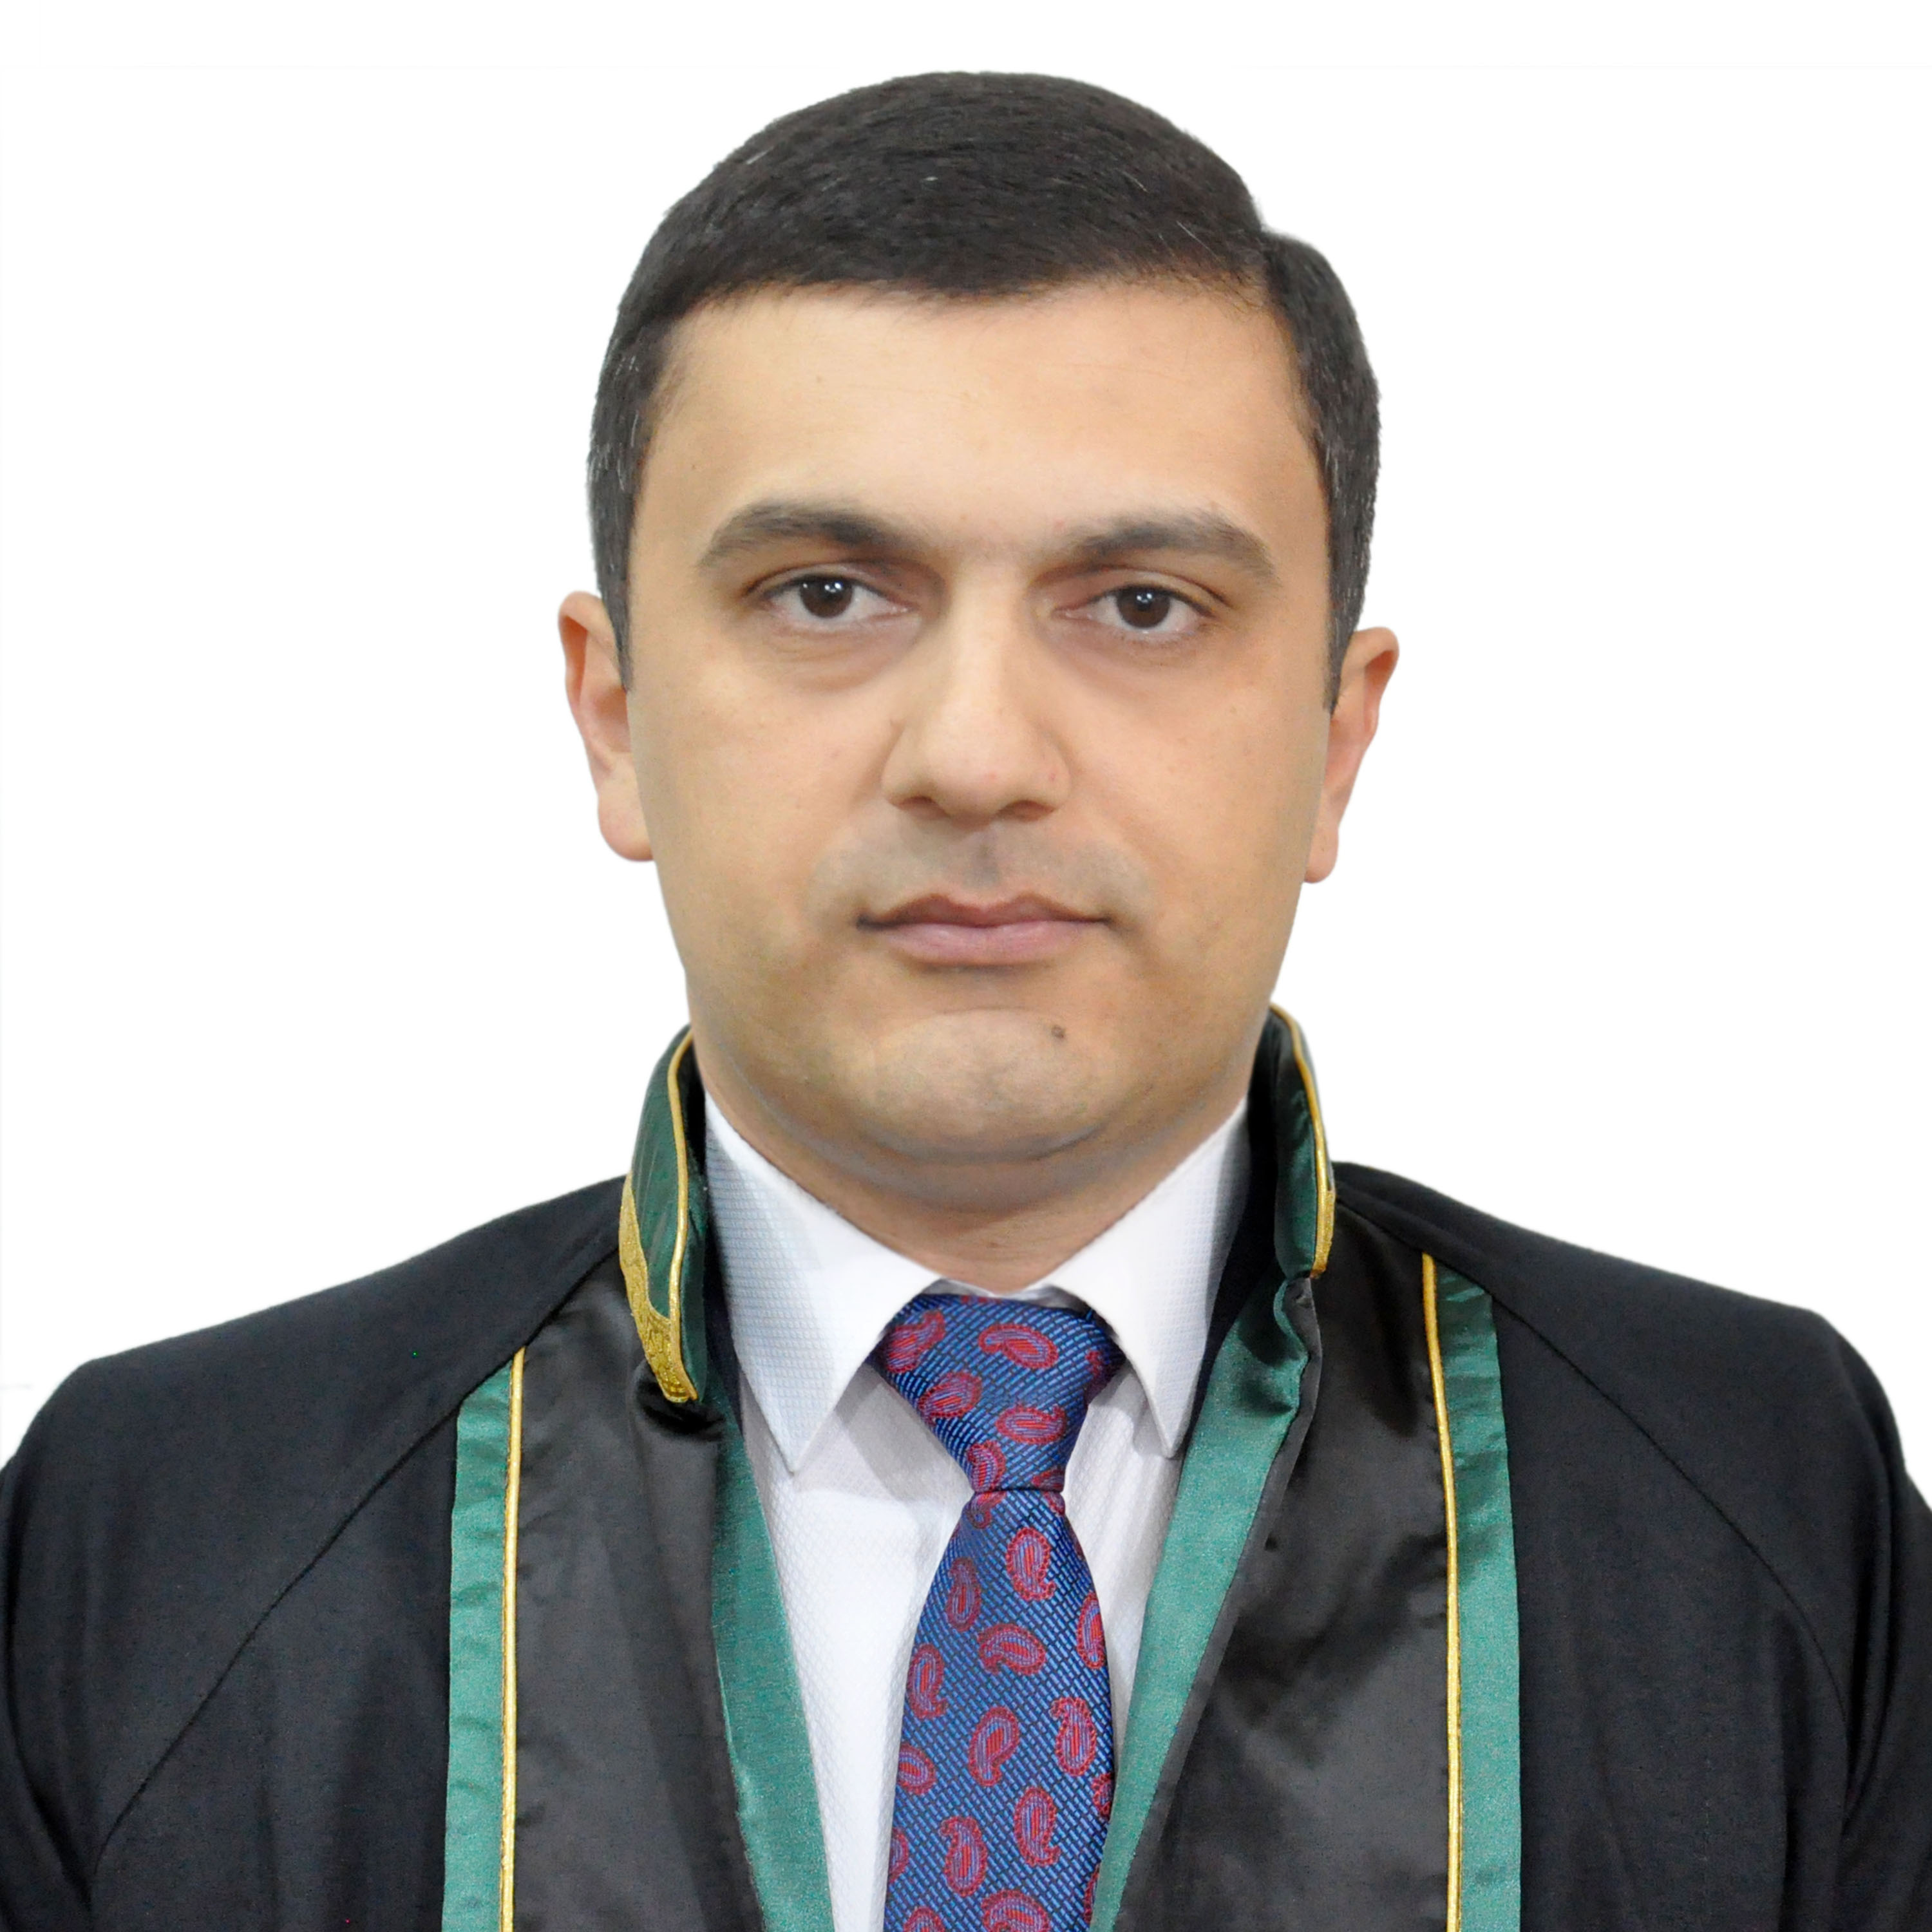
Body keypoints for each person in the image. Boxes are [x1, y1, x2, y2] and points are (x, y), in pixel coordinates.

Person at [1, 68, 1926, 1932]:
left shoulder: (1751, 1514)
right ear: (614, 715)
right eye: (828, 594)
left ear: (1337, 741)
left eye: (1143, 604)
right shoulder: (163, 1539)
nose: (980, 757)